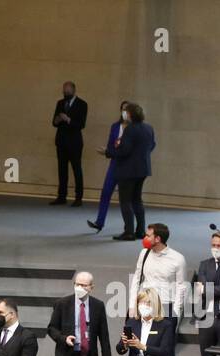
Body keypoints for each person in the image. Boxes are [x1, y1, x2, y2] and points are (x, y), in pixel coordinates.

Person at [129, 223, 187, 356]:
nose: (145, 237)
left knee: (166, 352)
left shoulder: (177, 259)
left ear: (158, 239)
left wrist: (176, 312)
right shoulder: (144, 254)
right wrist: (132, 306)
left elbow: (181, 287)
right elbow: (137, 278)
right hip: (144, 304)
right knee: (140, 347)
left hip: (166, 307)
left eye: (148, 235)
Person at [48, 272, 111, 356]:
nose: (80, 288)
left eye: (84, 285)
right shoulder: (62, 304)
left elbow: (104, 336)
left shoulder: (98, 306)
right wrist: (63, 339)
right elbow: (52, 329)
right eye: (77, 284)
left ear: (91, 287)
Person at [101, 101, 154, 241]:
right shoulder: (149, 128)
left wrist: (108, 152)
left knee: (125, 201)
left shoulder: (130, 129)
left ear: (130, 115)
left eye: (127, 112)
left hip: (128, 170)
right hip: (143, 168)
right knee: (137, 200)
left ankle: (129, 231)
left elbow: (124, 150)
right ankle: (141, 230)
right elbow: (152, 146)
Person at [87, 99, 129, 233]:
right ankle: (99, 222)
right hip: (114, 163)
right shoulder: (115, 126)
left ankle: (128, 227)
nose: (124, 112)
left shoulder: (135, 128)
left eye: (127, 110)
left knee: (126, 199)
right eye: (122, 109)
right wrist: (108, 150)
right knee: (105, 192)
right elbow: (111, 145)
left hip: (128, 166)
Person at [50, 81, 87, 207]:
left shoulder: (82, 104)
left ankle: (78, 197)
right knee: (62, 170)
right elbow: (54, 123)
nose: (65, 93)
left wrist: (68, 120)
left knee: (77, 169)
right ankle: (61, 196)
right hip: (61, 141)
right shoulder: (60, 103)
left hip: (75, 142)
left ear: (73, 90)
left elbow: (81, 124)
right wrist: (58, 119)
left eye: (68, 90)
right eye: (64, 90)